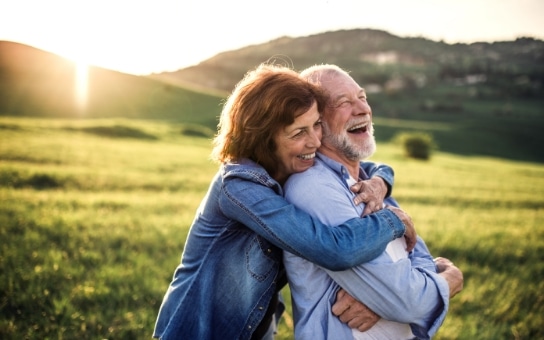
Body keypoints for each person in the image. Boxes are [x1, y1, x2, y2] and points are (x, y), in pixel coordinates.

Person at [152, 63, 418, 339]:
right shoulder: (239, 187)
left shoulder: (288, 170)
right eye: (299, 133)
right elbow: (333, 249)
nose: (315, 141)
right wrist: (392, 219)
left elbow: (371, 167)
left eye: (316, 125)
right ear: (264, 140)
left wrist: (379, 182)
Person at [283, 64, 464, 339]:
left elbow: (417, 259)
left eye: (363, 97)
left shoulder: (371, 184)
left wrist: (385, 302)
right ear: (315, 123)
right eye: (343, 102)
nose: (363, 109)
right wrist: (449, 279)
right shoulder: (314, 188)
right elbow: (408, 301)